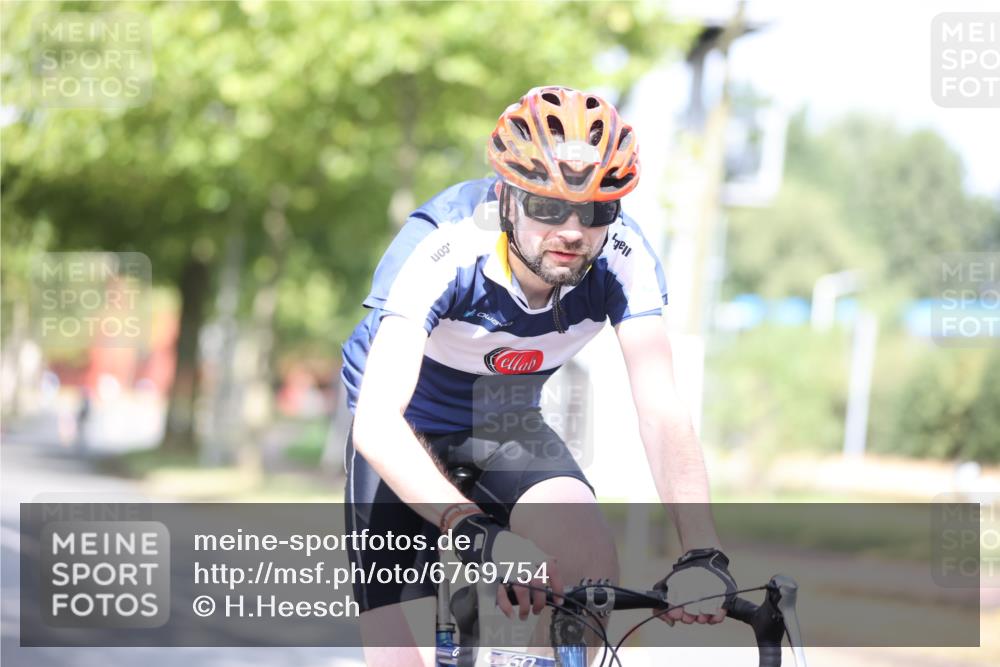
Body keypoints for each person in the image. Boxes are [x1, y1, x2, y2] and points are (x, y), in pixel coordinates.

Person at [341, 85, 735, 666]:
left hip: (503, 416)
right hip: (405, 424)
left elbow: (661, 408)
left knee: (589, 567)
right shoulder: (444, 244)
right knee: (400, 643)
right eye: (548, 208)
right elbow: (377, 423)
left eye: (597, 210)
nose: (573, 231)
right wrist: (474, 530)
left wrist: (704, 551)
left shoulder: (624, 259)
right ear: (506, 198)